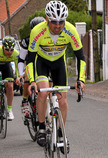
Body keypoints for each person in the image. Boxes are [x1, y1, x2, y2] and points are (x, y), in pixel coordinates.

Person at [26, 0, 86, 152]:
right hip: (42, 62)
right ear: (47, 19)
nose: (58, 25)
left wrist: (81, 80)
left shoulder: (70, 30)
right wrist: (32, 82)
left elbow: (81, 58)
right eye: (54, 21)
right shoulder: (37, 31)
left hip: (59, 62)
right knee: (43, 92)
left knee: (63, 101)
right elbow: (30, 60)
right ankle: (41, 128)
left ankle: (60, 133)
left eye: (61, 21)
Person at [16, 17, 46, 120]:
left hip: (44, 64)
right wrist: (20, 75)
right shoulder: (27, 40)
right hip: (31, 64)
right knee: (27, 80)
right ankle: (25, 100)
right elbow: (21, 59)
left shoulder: (49, 38)